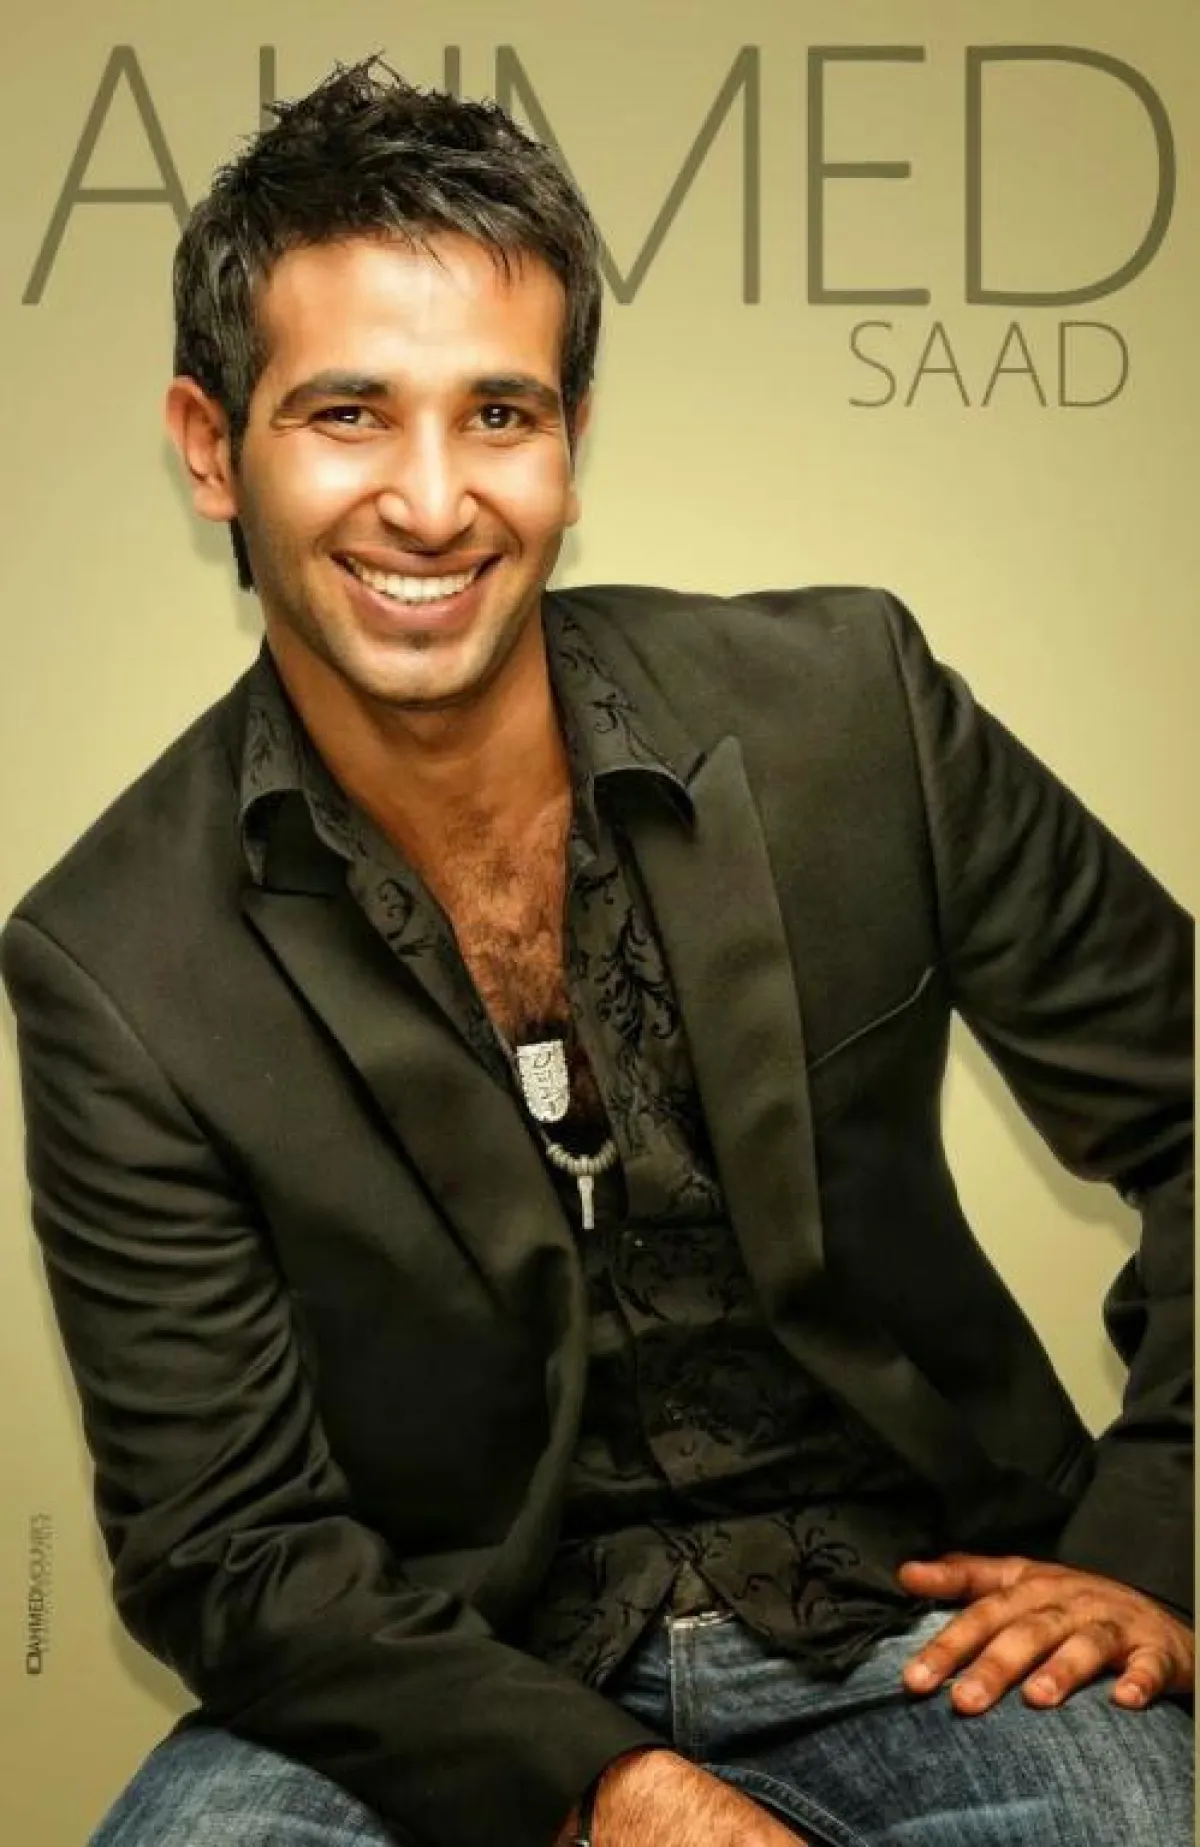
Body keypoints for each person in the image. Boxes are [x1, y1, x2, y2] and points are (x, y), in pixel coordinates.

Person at [2, 60, 1192, 1847]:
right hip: (435, 1685)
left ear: (571, 438)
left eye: (499, 413)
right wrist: (618, 1798)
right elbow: (227, 1541)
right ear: (207, 443)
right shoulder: (109, 957)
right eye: (348, 414)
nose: (431, 502)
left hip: (924, 1615)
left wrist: (1157, 1544)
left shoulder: (851, 710)